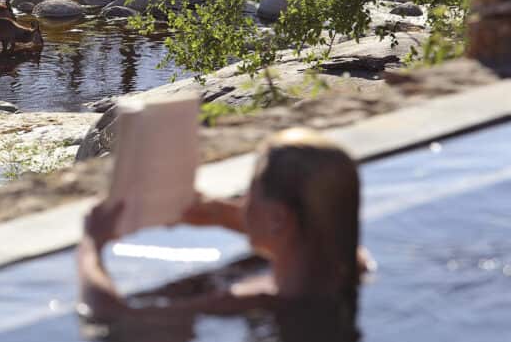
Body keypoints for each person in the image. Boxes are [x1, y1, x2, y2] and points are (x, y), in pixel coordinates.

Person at [77, 127, 372, 321]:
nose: (242, 202)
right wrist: (223, 215)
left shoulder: (250, 301)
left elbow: (109, 313)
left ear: (278, 218)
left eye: (249, 194)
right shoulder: (352, 269)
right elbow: (330, 230)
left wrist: (92, 243)